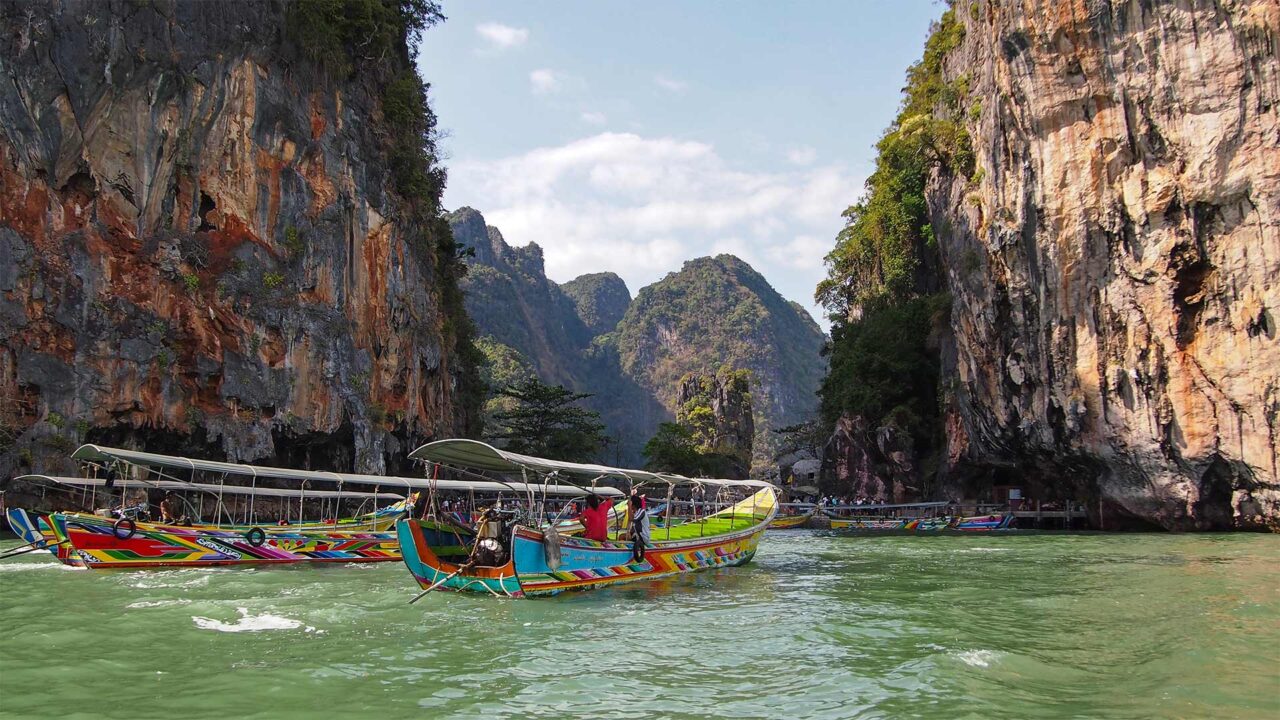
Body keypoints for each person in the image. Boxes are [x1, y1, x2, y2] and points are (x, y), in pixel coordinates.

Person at [628, 493, 650, 563]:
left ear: (633, 505)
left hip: (643, 538)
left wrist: (629, 506)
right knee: (622, 536)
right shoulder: (636, 512)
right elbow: (633, 526)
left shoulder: (641, 511)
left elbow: (631, 519)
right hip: (638, 537)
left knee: (623, 538)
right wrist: (629, 533)